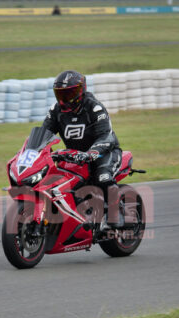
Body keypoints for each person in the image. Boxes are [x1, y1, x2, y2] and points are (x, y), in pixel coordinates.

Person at [42, 70, 123, 229]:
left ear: (80, 91)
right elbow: (44, 134)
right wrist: (31, 151)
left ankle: (117, 214)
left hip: (104, 153)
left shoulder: (94, 108)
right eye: (61, 94)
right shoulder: (56, 111)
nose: (65, 99)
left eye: (69, 93)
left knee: (103, 177)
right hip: (75, 156)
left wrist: (92, 153)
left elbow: (106, 136)